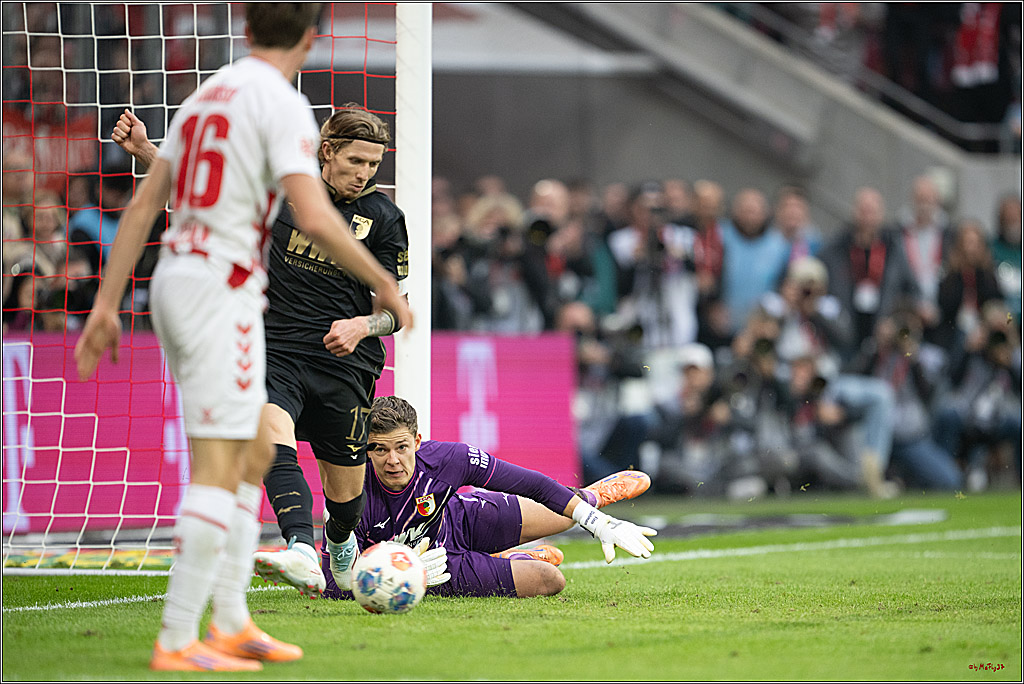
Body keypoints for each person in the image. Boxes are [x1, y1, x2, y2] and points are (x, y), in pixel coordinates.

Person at [75, 3, 411, 672]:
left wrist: (107, 304)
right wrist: (389, 287)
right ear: (310, 39)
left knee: (249, 461)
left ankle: (231, 620)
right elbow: (313, 214)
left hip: (182, 279)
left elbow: (146, 199)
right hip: (220, 288)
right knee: (223, 469)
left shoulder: (210, 92)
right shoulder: (281, 102)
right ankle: (177, 638)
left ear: (249, 28)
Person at [112, 102, 410, 604]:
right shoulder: (282, 192)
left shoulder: (383, 218)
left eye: (373, 165)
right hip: (275, 347)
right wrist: (145, 148)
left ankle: (338, 540)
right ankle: (299, 547)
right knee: (272, 433)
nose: (363, 174)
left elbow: (396, 310)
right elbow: (202, 184)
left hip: (346, 364)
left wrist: (363, 325)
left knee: (347, 500)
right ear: (328, 151)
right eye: (355, 161)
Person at [307, 395, 656, 600]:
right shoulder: (351, 490)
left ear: (417, 441)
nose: (392, 460)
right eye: (380, 450)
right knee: (551, 580)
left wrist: (594, 522)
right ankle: (512, 558)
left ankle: (591, 498)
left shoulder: (449, 459)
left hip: (459, 519)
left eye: (401, 447)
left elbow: (530, 483)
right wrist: (406, 577)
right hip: (439, 568)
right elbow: (332, 582)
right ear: (366, 450)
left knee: (563, 514)